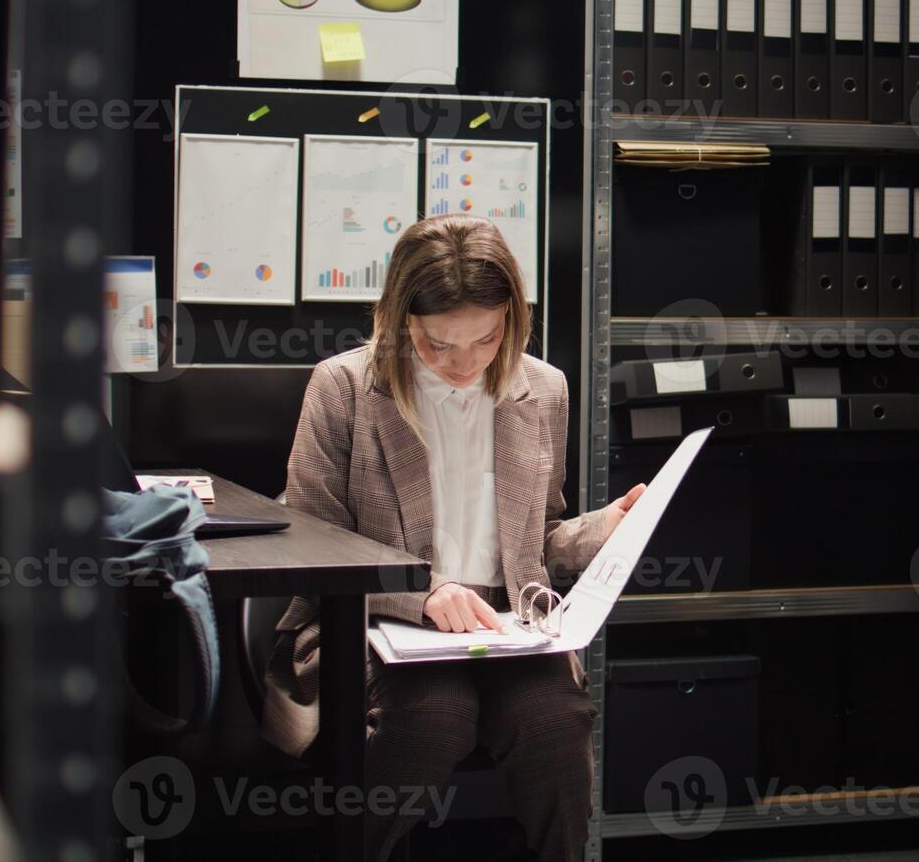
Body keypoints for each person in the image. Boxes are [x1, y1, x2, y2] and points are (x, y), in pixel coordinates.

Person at [260, 215, 645, 861]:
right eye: (439, 344)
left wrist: (601, 531)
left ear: (512, 322)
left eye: (488, 340)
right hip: (366, 622)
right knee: (434, 716)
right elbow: (314, 549)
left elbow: (537, 539)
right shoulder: (345, 387)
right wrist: (422, 595)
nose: (464, 364)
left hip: (503, 629)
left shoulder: (543, 388)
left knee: (555, 721)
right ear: (399, 318)